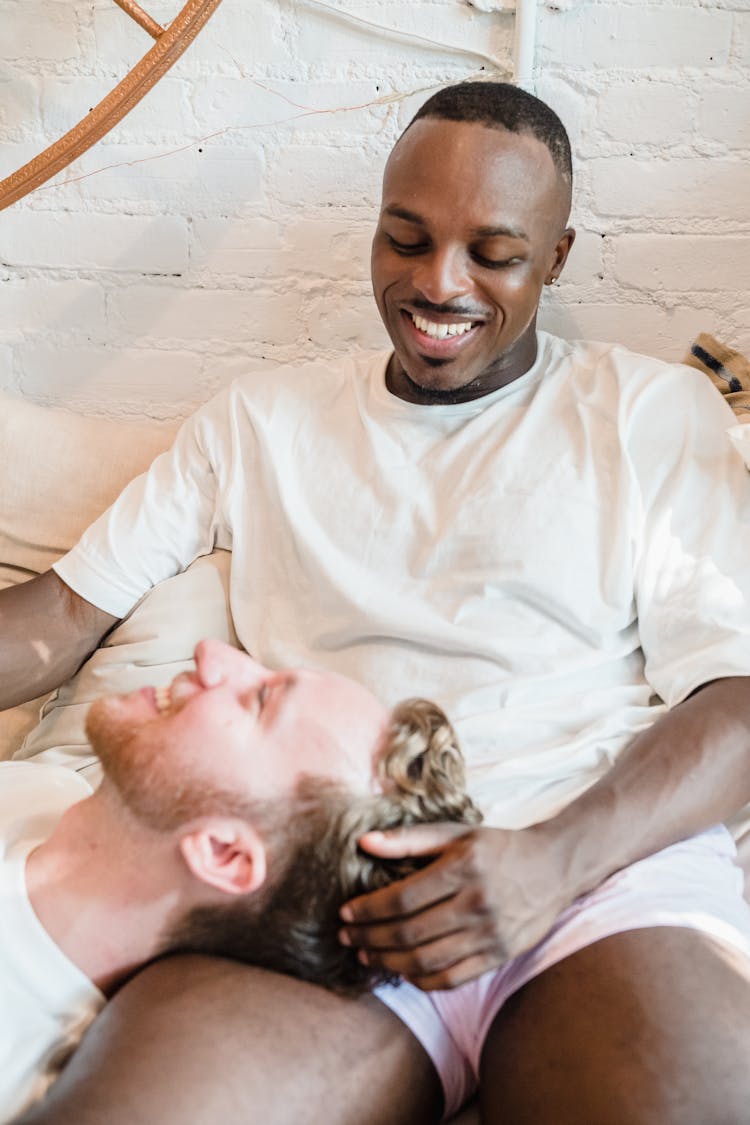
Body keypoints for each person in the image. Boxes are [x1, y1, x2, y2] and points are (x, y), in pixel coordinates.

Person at [5, 80, 750, 1124]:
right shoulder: (260, 422)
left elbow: (738, 699)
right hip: (327, 898)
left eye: (494, 255)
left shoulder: (643, 410)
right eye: (405, 240)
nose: (439, 283)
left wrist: (550, 863)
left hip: (599, 875)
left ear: (560, 257)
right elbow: (54, 620)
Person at [0, 637, 480, 1123]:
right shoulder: (47, 792)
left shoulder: (14, 1051)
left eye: (259, 699)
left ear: (223, 854)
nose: (211, 652)